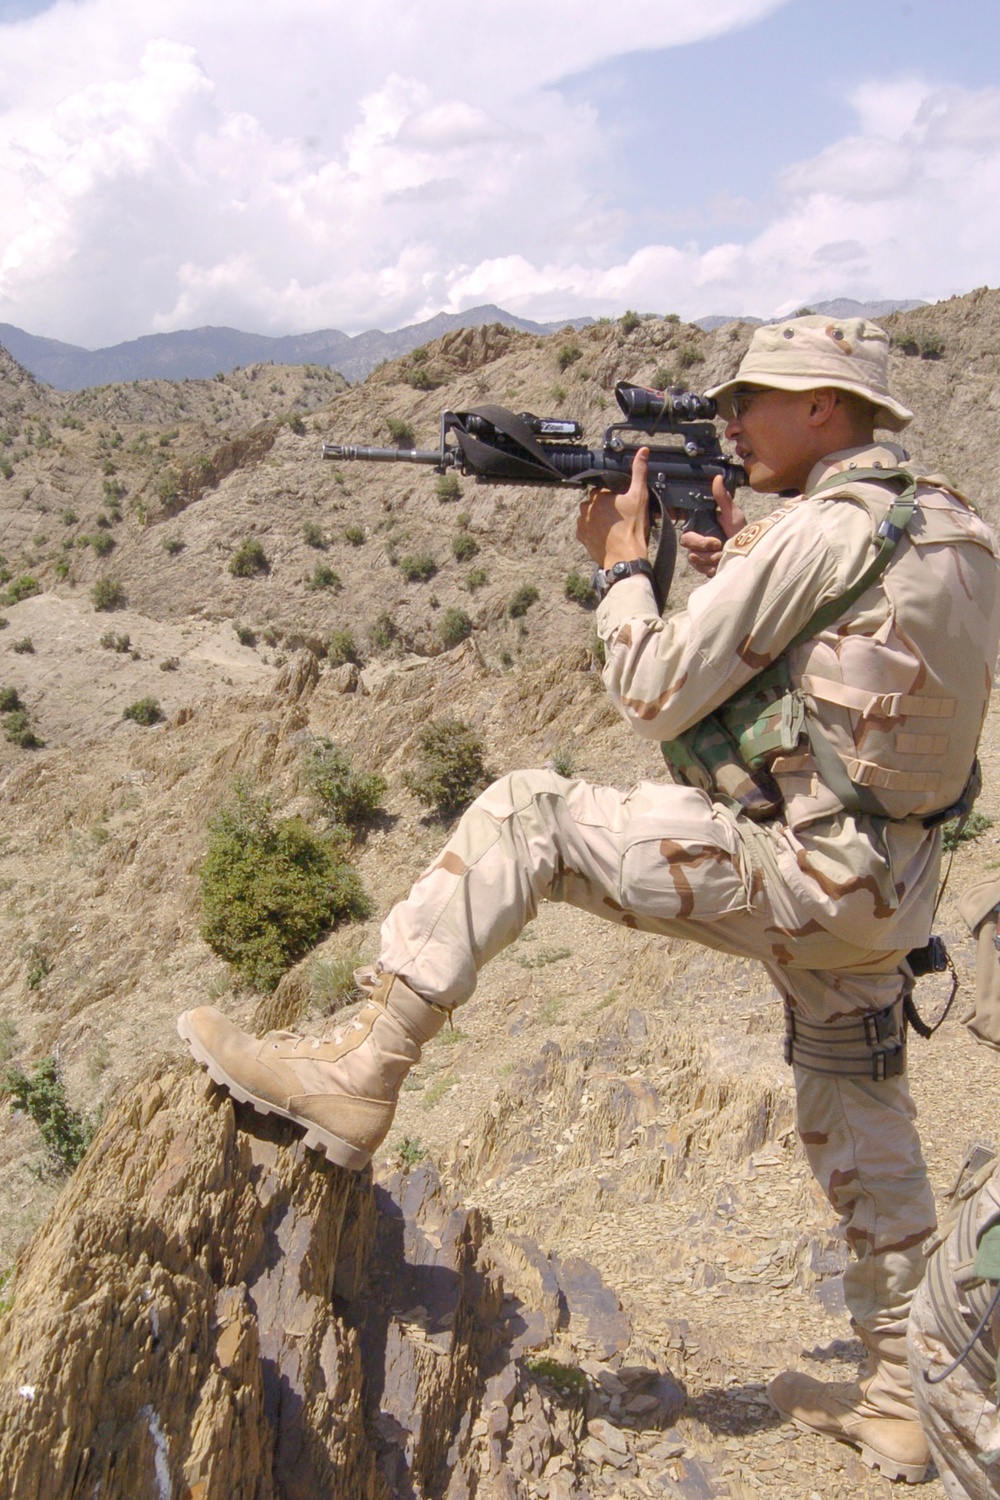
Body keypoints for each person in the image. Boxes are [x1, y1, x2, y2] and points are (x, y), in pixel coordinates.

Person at [178, 315, 1000, 1484]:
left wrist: (621, 570)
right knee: (866, 1122)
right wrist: (728, 568)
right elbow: (858, 670)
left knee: (527, 815)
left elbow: (656, 688)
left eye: (750, 400)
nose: (728, 420)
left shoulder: (821, 531)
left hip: (801, 871)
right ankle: (903, 1393)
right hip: (891, 891)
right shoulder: (943, 520)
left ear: (823, 408)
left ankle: (362, 1071)